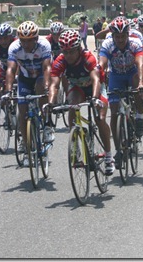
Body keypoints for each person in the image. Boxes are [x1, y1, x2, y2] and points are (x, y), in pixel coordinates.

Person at [48, 29, 114, 175]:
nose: (68, 56)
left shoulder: (88, 58)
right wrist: (51, 103)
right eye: (65, 52)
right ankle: (75, 145)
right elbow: (54, 84)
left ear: (78, 49)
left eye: (71, 51)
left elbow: (96, 79)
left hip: (95, 87)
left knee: (100, 118)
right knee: (73, 107)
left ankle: (109, 156)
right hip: (77, 87)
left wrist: (96, 99)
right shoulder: (60, 60)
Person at [98, 17, 143, 169]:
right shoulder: (108, 44)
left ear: (128, 35)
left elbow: (140, 63)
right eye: (117, 36)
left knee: (137, 90)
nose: (120, 39)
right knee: (113, 112)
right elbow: (102, 63)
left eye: (123, 36)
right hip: (116, 76)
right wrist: (101, 71)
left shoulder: (135, 43)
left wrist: (141, 83)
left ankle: (139, 116)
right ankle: (119, 149)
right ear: (112, 36)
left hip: (132, 73)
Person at [3, 21, 52, 165]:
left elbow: (47, 67)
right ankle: (26, 145)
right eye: (23, 41)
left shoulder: (44, 45)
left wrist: (47, 85)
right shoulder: (14, 47)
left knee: (40, 88)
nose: (26, 44)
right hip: (25, 77)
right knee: (22, 112)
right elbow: (11, 70)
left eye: (29, 41)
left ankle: (46, 122)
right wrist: (8, 91)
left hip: (41, 75)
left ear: (36, 39)